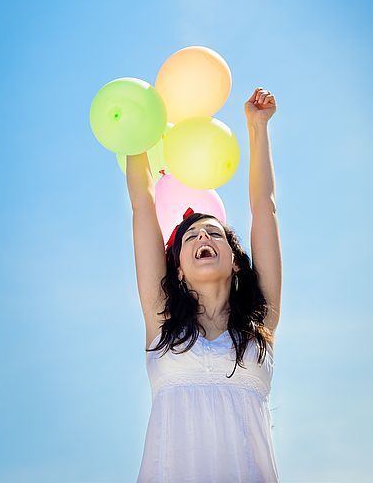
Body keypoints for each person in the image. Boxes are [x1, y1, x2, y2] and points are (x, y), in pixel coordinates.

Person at [127, 87, 282, 482]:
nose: (202, 240)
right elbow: (143, 205)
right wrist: (133, 130)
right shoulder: (161, 322)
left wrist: (257, 127)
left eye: (213, 233)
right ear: (176, 268)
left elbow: (264, 207)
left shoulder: (260, 323)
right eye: (191, 238)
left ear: (235, 262)